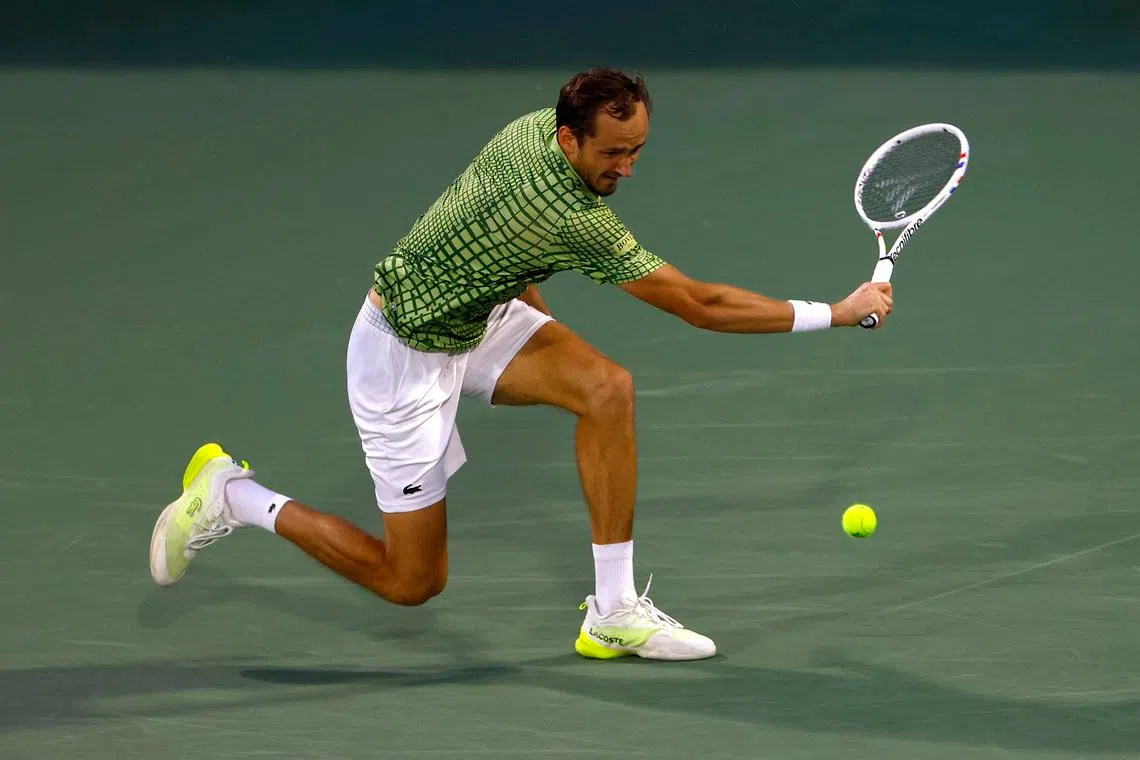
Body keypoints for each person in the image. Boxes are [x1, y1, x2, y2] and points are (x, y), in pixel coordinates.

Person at [148, 68, 892, 662]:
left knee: (606, 389)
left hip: (476, 316)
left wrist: (537, 329)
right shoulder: (570, 215)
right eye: (613, 154)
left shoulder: (532, 130)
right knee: (412, 584)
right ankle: (233, 496)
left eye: (637, 150)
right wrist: (837, 310)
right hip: (400, 358)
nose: (628, 168)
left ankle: (612, 613)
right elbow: (700, 305)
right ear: (570, 140)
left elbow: (506, 243)